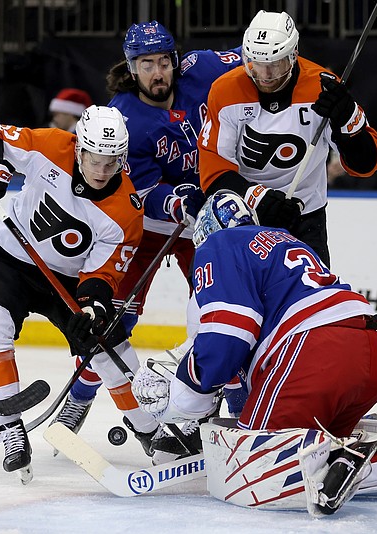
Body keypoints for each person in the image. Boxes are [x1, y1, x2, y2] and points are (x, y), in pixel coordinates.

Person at [131, 191, 377, 514]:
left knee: (253, 468)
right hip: (368, 353)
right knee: (301, 440)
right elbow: (243, 356)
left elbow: (227, 338)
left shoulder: (220, 246)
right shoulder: (283, 244)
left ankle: (344, 460)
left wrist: (184, 400)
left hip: (313, 353)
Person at [48, 20, 244, 464]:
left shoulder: (203, 69)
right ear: (131, 68)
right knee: (115, 323)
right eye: (145, 64)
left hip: (204, 226)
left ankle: (237, 411)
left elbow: (254, 59)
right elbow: (142, 192)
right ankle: (78, 401)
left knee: (226, 312)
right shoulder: (122, 118)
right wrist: (179, 202)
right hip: (145, 229)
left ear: (174, 60)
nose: (157, 72)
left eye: (162, 62)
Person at [0, 105, 162, 482]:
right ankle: (10, 430)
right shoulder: (53, 146)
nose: (102, 172)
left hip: (67, 282)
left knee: (108, 346)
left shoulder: (126, 212)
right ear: (79, 148)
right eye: (94, 160)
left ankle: (152, 431)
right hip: (11, 262)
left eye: (111, 162)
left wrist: (94, 307)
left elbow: (102, 274)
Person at [197, 10, 377, 267]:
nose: (264, 75)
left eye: (275, 64)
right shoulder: (225, 91)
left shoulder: (322, 87)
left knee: (312, 303)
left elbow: (366, 164)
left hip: (305, 219)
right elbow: (213, 171)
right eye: (256, 64)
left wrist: (347, 120)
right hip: (242, 217)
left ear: (293, 55)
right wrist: (257, 198)